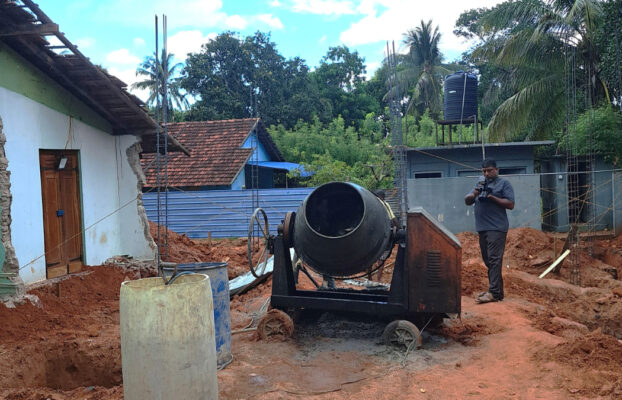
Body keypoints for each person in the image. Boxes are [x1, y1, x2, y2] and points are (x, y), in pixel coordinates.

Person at [464, 159, 515, 304]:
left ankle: (494, 292)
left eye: (489, 170)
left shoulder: (504, 184)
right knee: (489, 260)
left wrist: (492, 197)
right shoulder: (480, 184)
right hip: (482, 228)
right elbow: (467, 200)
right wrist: (473, 194)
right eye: (484, 171)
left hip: (497, 227)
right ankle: (497, 292)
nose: (486, 173)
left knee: (494, 259)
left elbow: (510, 204)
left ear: (496, 170)